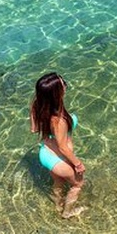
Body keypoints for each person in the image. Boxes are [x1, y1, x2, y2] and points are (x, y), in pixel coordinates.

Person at [30, 72, 86, 218]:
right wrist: (78, 164)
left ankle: (57, 205)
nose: (65, 86)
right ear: (56, 93)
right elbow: (62, 147)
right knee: (77, 185)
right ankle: (67, 213)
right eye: (63, 84)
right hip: (59, 158)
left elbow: (34, 129)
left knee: (58, 182)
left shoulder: (37, 105)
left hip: (46, 153)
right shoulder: (59, 120)